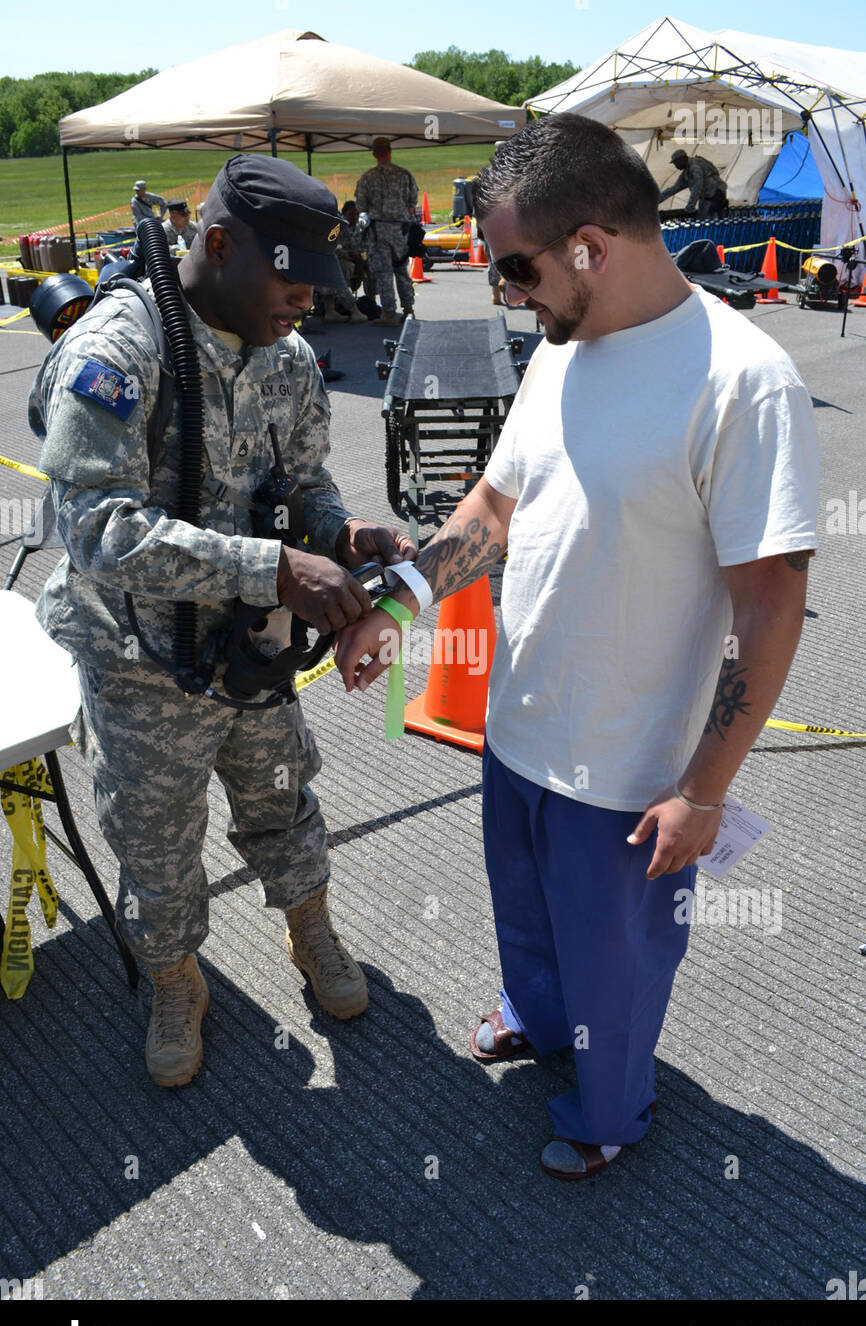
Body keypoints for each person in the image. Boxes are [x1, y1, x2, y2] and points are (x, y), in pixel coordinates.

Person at [334, 113, 818, 1182]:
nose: (506, 292)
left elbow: (770, 604)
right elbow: (494, 508)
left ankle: (611, 1112)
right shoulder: (561, 349)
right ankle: (536, 1017)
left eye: (516, 267)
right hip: (519, 732)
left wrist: (703, 788)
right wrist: (398, 602)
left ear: (591, 245)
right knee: (529, 919)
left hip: (630, 769)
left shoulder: (742, 381)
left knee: (616, 962)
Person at [29, 153, 416, 1088]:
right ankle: (174, 981)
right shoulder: (116, 353)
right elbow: (95, 529)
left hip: (253, 655)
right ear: (216, 246)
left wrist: (342, 528)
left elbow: (305, 479)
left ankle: (310, 934)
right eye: (291, 282)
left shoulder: (285, 358)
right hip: (140, 663)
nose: (307, 305)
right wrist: (276, 567)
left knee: (282, 799)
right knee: (154, 838)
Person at [354, 137, 418, 326]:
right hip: (400, 229)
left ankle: (389, 313)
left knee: (384, 273)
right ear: (390, 151)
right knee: (401, 271)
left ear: (374, 154)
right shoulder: (404, 174)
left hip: (379, 230)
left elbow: (361, 205)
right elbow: (412, 201)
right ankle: (408, 309)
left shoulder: (367, 177)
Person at [658, 150, 728, 217]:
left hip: (716, 195)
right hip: (706, 198)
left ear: (682, 159)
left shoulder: (695, 167)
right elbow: (673, 189)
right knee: (702, 219)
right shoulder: (686, 172)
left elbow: (697, 187)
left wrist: (690, 206)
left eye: (676, 162)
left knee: (711, 221)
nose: (675, 165)